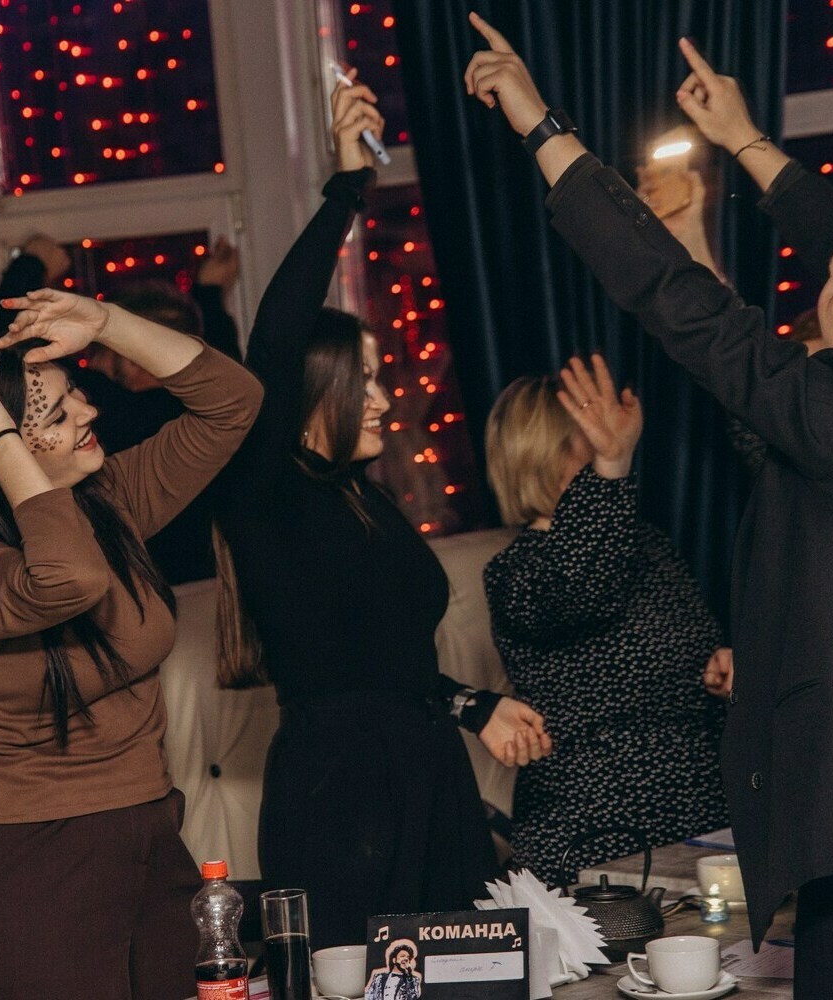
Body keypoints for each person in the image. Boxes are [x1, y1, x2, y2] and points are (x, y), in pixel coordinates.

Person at [464, 12, 833, 995]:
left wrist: (539, 124)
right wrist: (745, 142)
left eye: (831, 283)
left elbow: (683, 308)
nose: (816, 296)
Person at [212, 69, 551, 950]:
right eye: (362, 379)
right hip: (340, 802)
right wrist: (345, 186)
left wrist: (474, 708)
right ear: (311, 389)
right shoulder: (265, 491)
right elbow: (276, 333)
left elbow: (383, 662)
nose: (383, 398)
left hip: (429, 782)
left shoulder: (362, 498)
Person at [0, 287, 261, 999]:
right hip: (29, 861)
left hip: (149, 834)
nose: (89, 413)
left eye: (78, 396)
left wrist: (107, 322)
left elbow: (233, 403)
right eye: (58, 414)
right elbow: (68, 578)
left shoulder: (107, 503)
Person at [483, 355, 729, 884]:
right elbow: (582, 590)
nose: (604, 442)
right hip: (598, 841)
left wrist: (723, 670)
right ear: (543, 454)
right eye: (588, 436)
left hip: (700, 824)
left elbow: (697, 656)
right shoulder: (517, 571)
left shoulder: (648, 544)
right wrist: (613, 466)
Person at [0, 236, 243, 584]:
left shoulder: (123, 412)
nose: (93, 364)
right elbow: (226, 367)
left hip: (164, 594)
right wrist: (209, 293)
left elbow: (16, 343)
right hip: (191, 588)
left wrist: (32, 262)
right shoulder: (199, 407)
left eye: (102, 350)